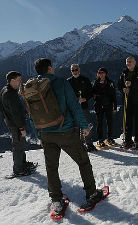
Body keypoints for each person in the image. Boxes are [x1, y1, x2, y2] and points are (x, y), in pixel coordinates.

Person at [34, 58, 103, 215]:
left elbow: (32, 113)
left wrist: (39, 132)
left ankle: (56, 200)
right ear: (50, 68)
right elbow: (73, 105)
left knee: (51, 168)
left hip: (46, 133)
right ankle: (92, 193)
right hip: (65, 131)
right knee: (83, 161)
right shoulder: (61, 82)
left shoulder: (32, 86)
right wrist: (84, 126)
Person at [0, 71, 37, 177]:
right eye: (19, 80)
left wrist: (6, 118)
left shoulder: (5, 89)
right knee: (18, 146)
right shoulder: (10, 94)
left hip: (12, 122)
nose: (21, 82)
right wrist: (21, 128)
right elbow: (15, 113)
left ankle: (22, 164)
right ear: (12, 80)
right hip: (16, 124)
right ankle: (19, 170)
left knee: (20, 144)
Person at [118, 56, 138, 149]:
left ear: (135, 62)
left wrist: (132, 85)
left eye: (130, 61)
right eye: (127, 62)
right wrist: (123, 89)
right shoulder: (124, 73)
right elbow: (119, 85)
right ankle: (128, 140)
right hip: (128, 101)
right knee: (128, 122)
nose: (128, 63)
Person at [67, 64, 95, 151]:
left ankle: (89, 144)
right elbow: (67, 94)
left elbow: (91, 92)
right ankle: (78, 145)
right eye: (73, 70)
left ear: (79, 70)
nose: (74, 72)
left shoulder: (85, 80)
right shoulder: (68, 81)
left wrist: (85, 98)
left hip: (84, 106)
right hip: (73, 108)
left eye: (76, 69)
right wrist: (76, 99)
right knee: (76, 127)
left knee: (86, 125)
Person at [92, 67, 117, 148]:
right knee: (100, 123)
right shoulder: (95, 83)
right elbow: (93, 94)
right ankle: (100, 140)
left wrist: (115, 107)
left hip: (108, 105)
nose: (101, 74)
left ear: (105, 73)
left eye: (102, 72)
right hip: (99, 105)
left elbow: (114, 95)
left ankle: (110, 138)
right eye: (99, 73)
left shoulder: (110, 83)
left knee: (110, 122)